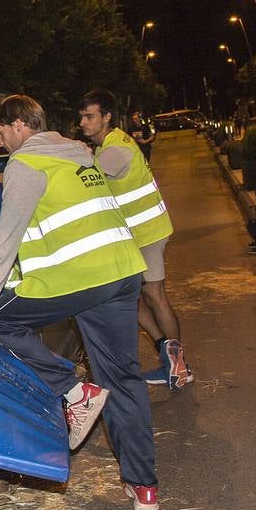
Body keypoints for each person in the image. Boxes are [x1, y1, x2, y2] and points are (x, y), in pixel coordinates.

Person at [0, 94, 157, 510]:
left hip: (79, 278)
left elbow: (8, 236)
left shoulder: (26, 164)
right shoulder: (80, 155)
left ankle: (73, 390)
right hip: (124, 270)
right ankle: (143, 486)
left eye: (0, 131)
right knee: (124, 376)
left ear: (19, 124)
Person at [79, 90, 193, 390]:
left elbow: (83, 181)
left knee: (154, 295)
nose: (83, 122)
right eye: (81, 116)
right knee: (133, 298)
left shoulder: (116, 150)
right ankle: (168, 356)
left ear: (107, 117)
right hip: (136, 236)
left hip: (147, 234)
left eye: (89, 116)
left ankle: (179, 365)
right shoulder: (112, 144)